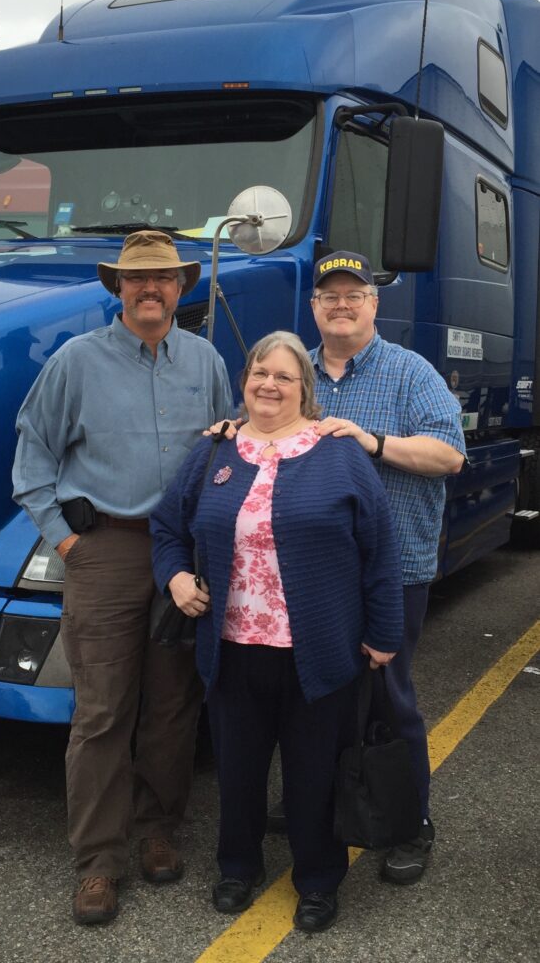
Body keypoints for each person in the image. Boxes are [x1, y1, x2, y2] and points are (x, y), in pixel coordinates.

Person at [12, 230, 233, 926]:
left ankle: (158, 830)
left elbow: (224, 451)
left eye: (163, 279)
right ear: (117, 288)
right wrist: (69, 542)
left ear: (181, 288)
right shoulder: (75, 362)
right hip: (104, 553)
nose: (150, 289)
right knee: (103, 711)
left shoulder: (204, 361)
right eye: (138, 280)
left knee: (172, 705)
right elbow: (31, 461)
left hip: (182, 555)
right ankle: (98, 863)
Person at [150, 331, 404, 933]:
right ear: (245, 380)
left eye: (284, 376)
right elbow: (166, 526)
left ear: (303, 389)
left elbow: (380, 549)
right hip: (233, 648)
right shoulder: (216, 450)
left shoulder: (337, 452)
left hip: (318, 651)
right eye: (260, 372)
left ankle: (318, 880)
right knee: (237, 769)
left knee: (314, 773)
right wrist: (177, 579)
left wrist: (384, 633)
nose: (269, 384)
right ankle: (238, 867)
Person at [254, 252, 465, 883]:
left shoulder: (410, 373)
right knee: (319, 694)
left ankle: (408, 825)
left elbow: (449, 456)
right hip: (314, 571)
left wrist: (371, 440)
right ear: (313, 308)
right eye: (329, 297)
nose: (341, 305)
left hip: (394, 566)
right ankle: (320, 803)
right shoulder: (296, 374)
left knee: (391, 698)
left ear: (374, 305)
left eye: (355, 295)